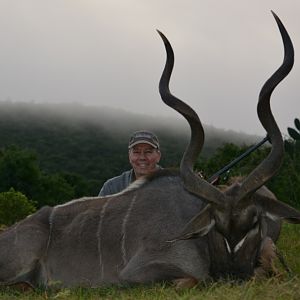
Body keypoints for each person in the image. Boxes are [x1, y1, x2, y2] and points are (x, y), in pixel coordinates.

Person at [99, 130, 161, 196]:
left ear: (158, 156)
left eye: (148, 152)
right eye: (136, 152)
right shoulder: (112, 188)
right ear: (129, 156)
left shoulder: (172, 184)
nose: (142, 157)